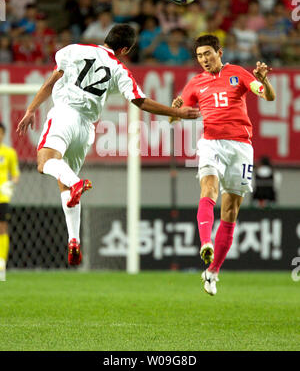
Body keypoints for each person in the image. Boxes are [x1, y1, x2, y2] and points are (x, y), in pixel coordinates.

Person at [16, 24, 199, 267]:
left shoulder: (74, 50)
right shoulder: (119, 68)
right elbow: (140, 101)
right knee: (65, 180)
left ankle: (76, 184)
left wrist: (31, 110)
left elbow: (51, 82)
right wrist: (177, 112)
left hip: (65, 114)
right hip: (86, 129)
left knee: (46, 162)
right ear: (125, 49)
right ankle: (74, 240)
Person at [169, 34, 275, 296]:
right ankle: (206, 243)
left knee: (230, 211)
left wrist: (264, 81)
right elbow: (177, 117)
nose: (204, 59)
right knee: (208, 189)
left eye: (208, 53)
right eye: (200, 56)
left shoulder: (237, 74)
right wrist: (175, 112)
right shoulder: (194, 84)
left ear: (220, 52)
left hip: (240, 147)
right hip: (211, 143)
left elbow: (267, 96)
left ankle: (212, 270)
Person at [0, 123, 20, 281]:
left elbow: (15, 174)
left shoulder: (9, 153)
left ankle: (1, 265)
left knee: (2, 229)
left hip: (2, 197)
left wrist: (10, 184)